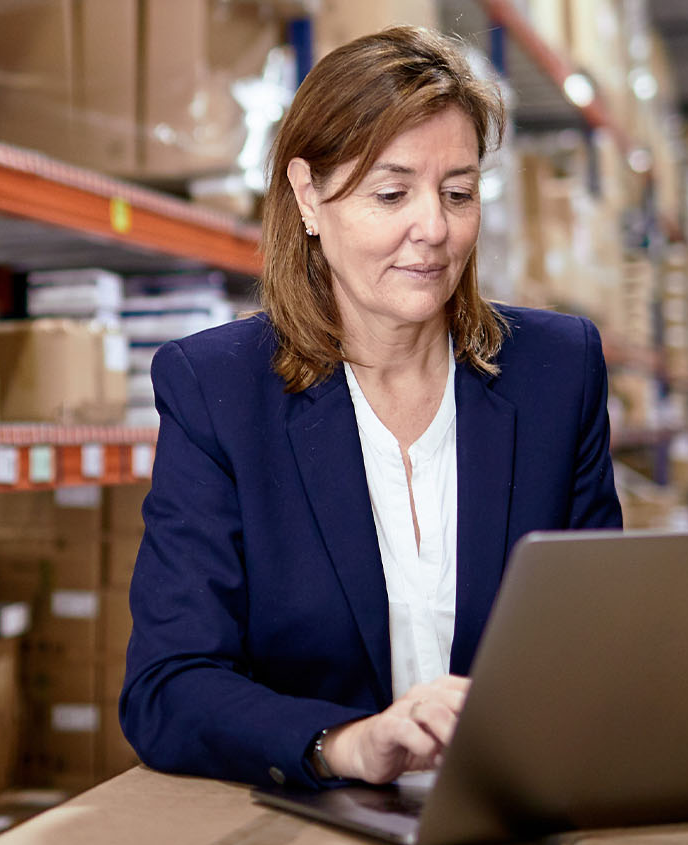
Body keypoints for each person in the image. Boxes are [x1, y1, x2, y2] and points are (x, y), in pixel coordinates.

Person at [119, 26, 622, 790]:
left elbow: (603, 639)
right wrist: (343, 743)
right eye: (392, 193)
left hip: (514, 808)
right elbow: (169, 687)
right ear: (308, 197)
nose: (434, 229)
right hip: (319, 831)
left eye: (458, 193)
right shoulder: (217, 390)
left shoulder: (558, 371)